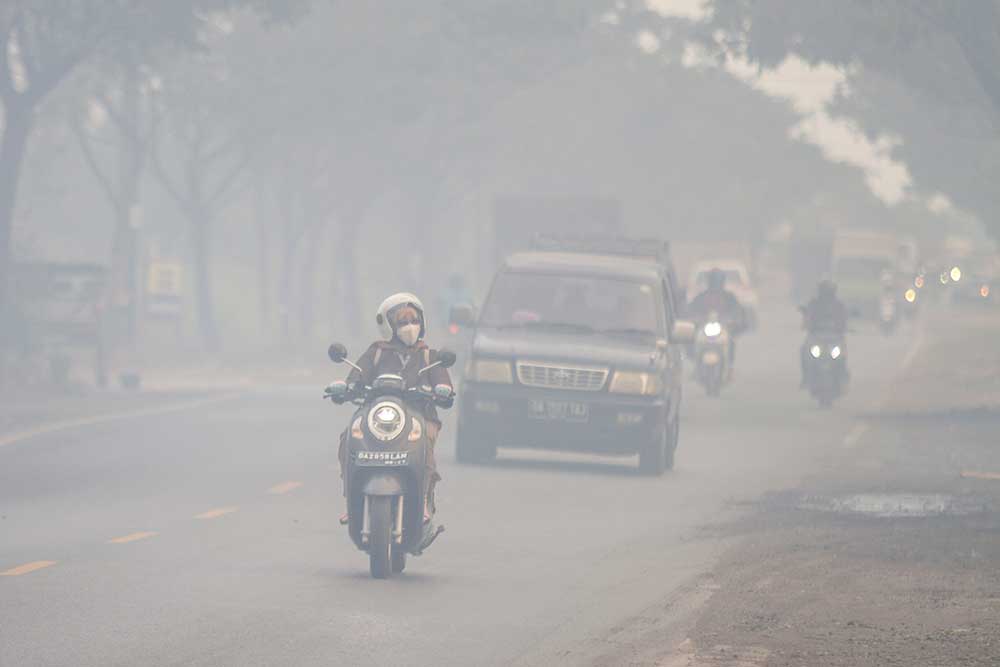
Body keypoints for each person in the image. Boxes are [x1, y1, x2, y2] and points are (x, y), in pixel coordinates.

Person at [333, 293, 453, 524]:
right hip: (376, 416)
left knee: (425, 440)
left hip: (420, 416)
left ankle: (423, 500)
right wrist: (346, 387)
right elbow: (356, 375)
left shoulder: (430, 356)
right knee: (348, 438)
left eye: (414, 321)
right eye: (402, 322)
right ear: (389, 327)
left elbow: (443, 383)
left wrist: (443, 389)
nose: (410, 327)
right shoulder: (376, 351)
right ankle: (351, 499)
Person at [687, 268, 748, 363]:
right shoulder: (701, 297)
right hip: (704, 327)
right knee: (693, 340)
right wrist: (693, 318)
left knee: (730, 341)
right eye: (714, 281)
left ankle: (729, 365)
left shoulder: (729, 297)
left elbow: (737, 311)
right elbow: (691, 310)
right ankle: (696, 362)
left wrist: (734, 319)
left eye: (717, 281)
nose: (715, 284)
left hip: (723, 327)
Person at [800, 280, 849, 386]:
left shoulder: (838, 305)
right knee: (804, 351)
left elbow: (844, 319)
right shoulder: (814, 304)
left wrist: (845, 327)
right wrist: (806, 324)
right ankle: (806, 377)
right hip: (816, 337)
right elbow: (807, 318)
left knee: (842, 354)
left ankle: (842, 375)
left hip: (835, 338)